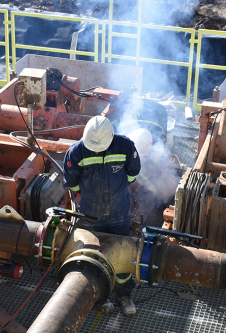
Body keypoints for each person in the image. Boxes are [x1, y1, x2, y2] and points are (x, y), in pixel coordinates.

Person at [63, 116, 141, 316]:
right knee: (91, 258)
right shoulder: (76, 152)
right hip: (91, 217)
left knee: (123, 256)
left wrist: (118, 191)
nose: (95, 150)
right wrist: (91, 196)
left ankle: (124, 295)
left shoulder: (125, 146)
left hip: (119, 215)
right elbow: (71, 182)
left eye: (99, 147)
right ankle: (99, 298)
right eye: (92, 147)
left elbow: (133, 173)